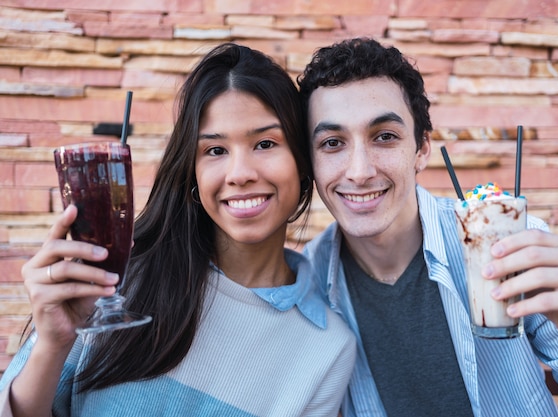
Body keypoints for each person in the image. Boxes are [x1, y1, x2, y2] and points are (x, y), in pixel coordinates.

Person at [0, 43, 356, 417]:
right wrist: (53, 345)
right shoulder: (114, 284)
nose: (240, 174)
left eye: (265, 144)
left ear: (303, 163)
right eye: (215, 151)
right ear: (192, 171)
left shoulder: (327, 348)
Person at [297, 37, 558, 417]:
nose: (360, 171)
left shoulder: (507, 244)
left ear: (421, 149)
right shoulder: (308, 283)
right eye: (333, 142)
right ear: (311, 161)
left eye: (385, 136)